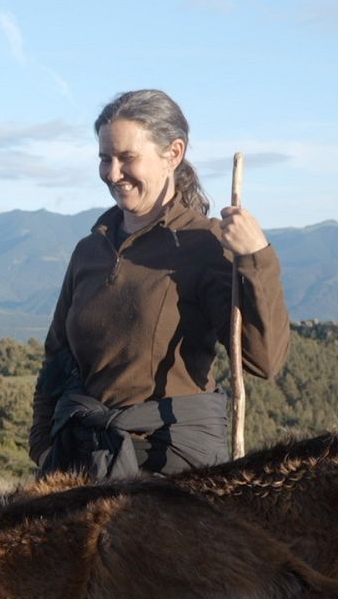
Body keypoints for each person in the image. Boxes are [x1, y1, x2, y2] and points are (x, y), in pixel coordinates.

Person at [30, 89, 290, 480]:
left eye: (127, 157)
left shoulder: (205, 245)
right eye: (105, 158)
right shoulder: (90, 249)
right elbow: (57, 354)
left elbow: (263, 360)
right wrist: (43, 447)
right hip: (84, 457)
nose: (112, 173)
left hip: (170, 465)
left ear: (173, 153)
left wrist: (257, 258)